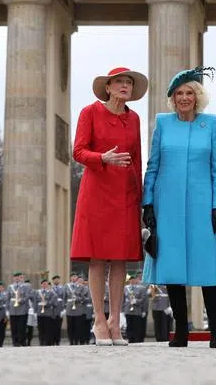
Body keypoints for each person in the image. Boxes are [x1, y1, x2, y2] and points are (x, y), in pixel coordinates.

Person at [143, 67, 216, 349]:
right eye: (179, 93)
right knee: (173, 268)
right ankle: (181, 331)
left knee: (208, 268)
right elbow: (152, 166)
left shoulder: (211, 123)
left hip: (203, 205)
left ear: (198, 96)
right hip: (168, 204)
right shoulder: (163, 123)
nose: (184, 98)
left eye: (189, 92)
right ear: (172, 98)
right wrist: (148, 204)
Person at [71, 66, 149, 347]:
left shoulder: (134, 118)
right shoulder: (89, 112)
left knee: (121, 258)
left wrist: (142, 198)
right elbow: (78, 151)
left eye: (128, 82)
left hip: (125, 193)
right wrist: (103, 157)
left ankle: (116, 321)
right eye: (119, 82)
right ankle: (99, 320)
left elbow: (137, 159)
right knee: (98, 258)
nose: (125, 86)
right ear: (107, 87)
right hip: (97, 191)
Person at [123, 272, 148, 343]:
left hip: (137, 310)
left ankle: (136, 340)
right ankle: (129, 339)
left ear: (137, 280)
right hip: (128, 309)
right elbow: (123, 299)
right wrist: (122, 310)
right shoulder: (126, 288)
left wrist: (143, 310)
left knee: (137, 326)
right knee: (129, 325)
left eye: (134, 279)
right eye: (131, 279)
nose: (132, 281)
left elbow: (143, 300)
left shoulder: (142, 288)